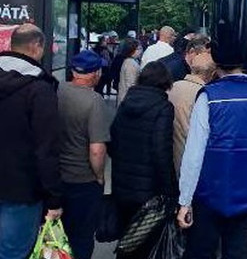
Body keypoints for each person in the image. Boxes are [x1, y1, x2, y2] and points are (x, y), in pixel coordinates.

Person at [177, 46, 247, 259]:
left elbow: (194, 154)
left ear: (217, 65)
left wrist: (185, 201)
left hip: (210, 195)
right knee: (238, 252)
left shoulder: (209, 97)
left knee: (201, 251)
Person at [0, 24, 63, 259]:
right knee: (14, 252)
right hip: (22, 190)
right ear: (37, 46)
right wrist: (54, 198)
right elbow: (46, 149)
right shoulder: (39, 89)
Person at [109, 62, 177, 258]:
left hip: (123, 185)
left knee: (127, 239)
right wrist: (169, 190)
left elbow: (113, 136)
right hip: (149, 190)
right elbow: (161, 150)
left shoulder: (126, 102)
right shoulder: (163, 107)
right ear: (165, 82)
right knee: (146, 243)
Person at [57, 50, 110, 259]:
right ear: (95, 73)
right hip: (83, 180)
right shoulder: (94, 101)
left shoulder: (58, 90)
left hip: (57, 177)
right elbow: (97, 149)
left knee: (58, 235)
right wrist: (99, 176)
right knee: (81, 237)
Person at [168, 53, 216, 175]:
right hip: (189, 160)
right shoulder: (204, 95)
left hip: (169, 155)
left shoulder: (173, 87)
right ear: (212, 73)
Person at [116, 38, 142, 106]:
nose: (140, 51)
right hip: (128, 101)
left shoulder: (129, 61)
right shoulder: (131, 64)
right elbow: (131, 85)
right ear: (132, 50)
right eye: (138, 48)